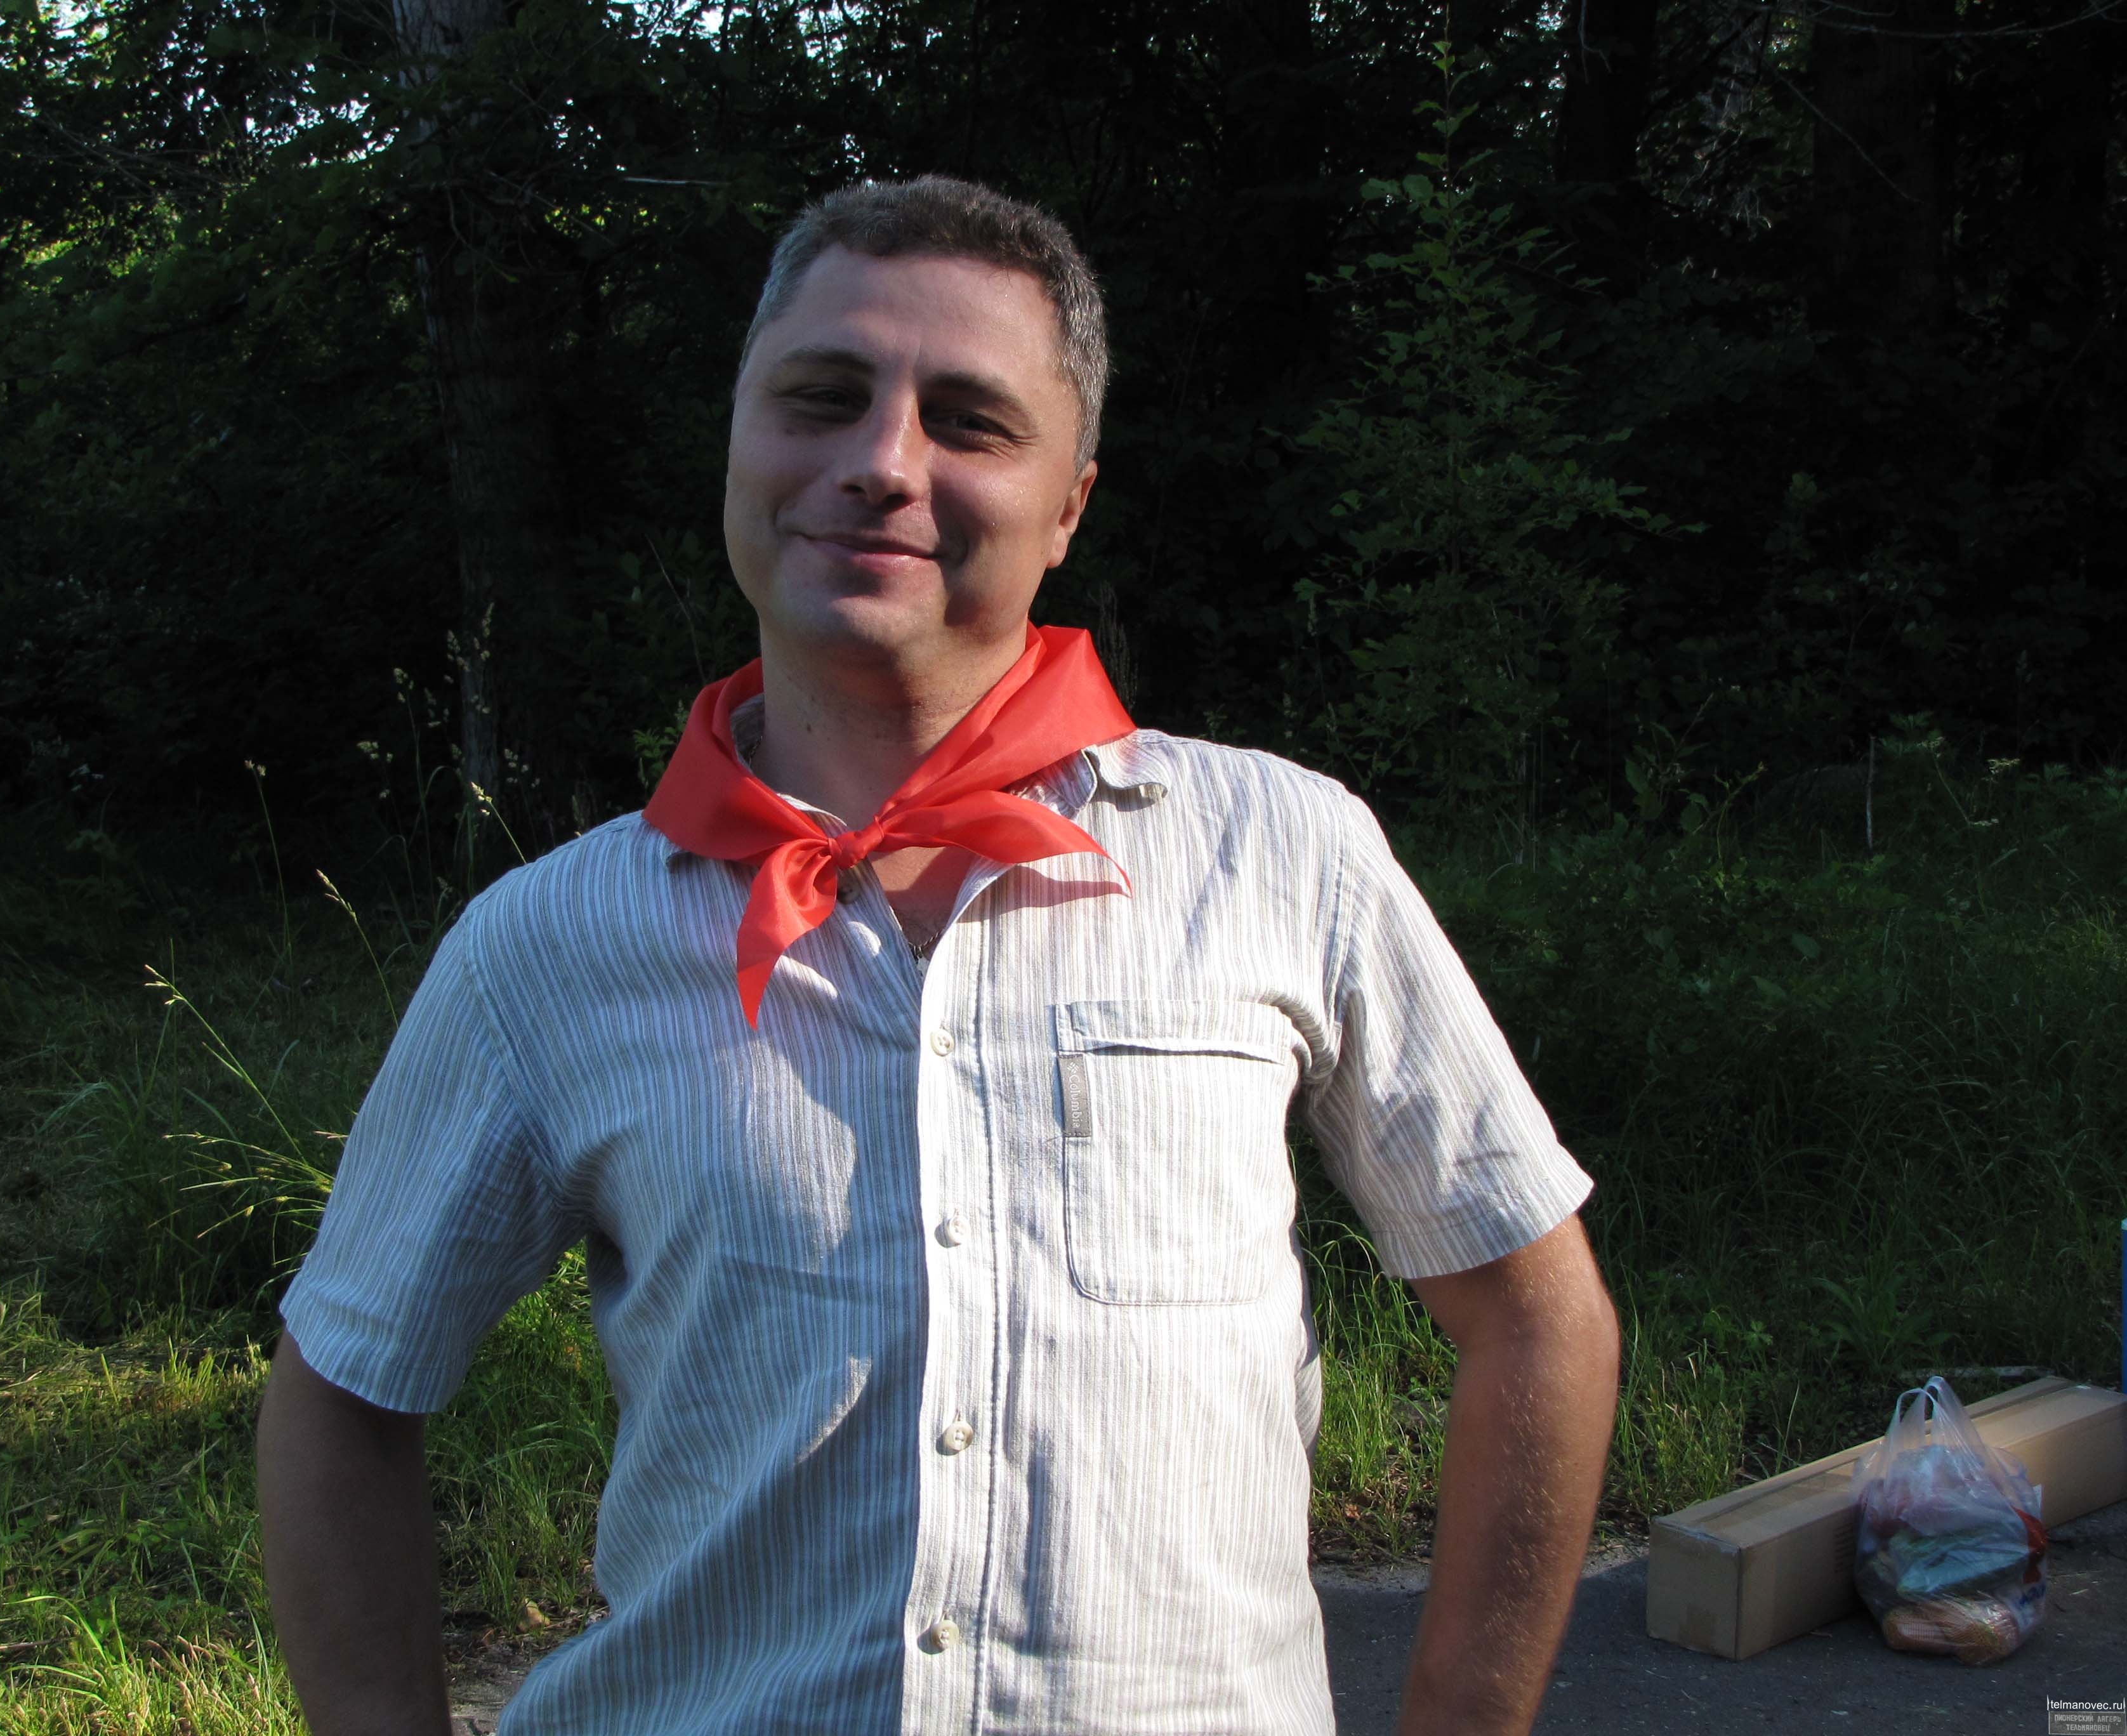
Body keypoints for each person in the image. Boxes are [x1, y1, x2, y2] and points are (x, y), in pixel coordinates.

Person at [256, 174, 1622, 1736]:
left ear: (1069, 506)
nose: (882, 463)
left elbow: (1537, 1316)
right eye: (822, 399)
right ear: (738, 443)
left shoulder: (1283, 854)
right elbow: (342, 1387)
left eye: (969, 421)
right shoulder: (545, 947)